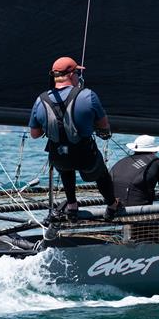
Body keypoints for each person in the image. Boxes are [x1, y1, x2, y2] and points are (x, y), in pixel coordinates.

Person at [29, 56, 120, 221]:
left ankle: (72, 205)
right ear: (71, 74)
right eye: (77, 72)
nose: (78, 76)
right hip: (85, 157)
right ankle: (112, 205)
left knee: (65, 168)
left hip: (58, 157)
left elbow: (34, 134)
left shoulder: (40, 100)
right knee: (101, 174)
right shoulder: (88, 95)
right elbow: (104, 126)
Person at [110, 134, 159, 206]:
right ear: (154, 150)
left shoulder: (121, 161)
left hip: (114, 209)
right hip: (138, 212)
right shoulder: (158, 163)